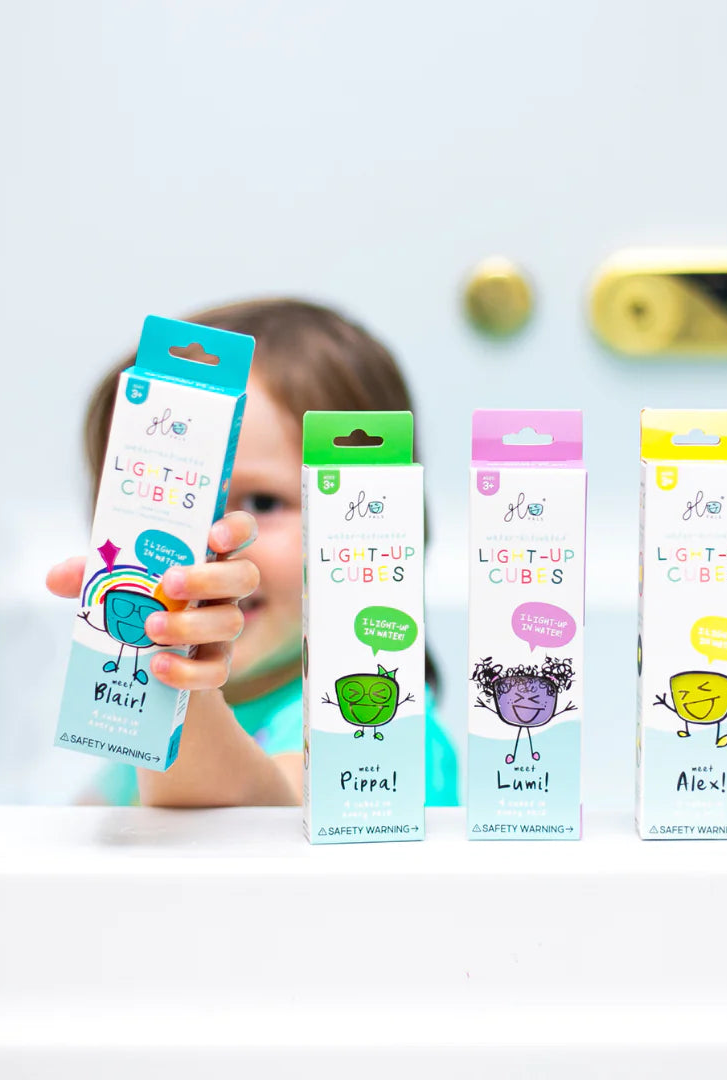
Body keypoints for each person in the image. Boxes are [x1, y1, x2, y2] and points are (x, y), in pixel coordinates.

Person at [46, 298, 458, 808]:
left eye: (263, 502)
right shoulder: (120, 738)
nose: (207, 545)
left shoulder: (387, 736)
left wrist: (180, 674)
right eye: (171, 503)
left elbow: (253, 817)